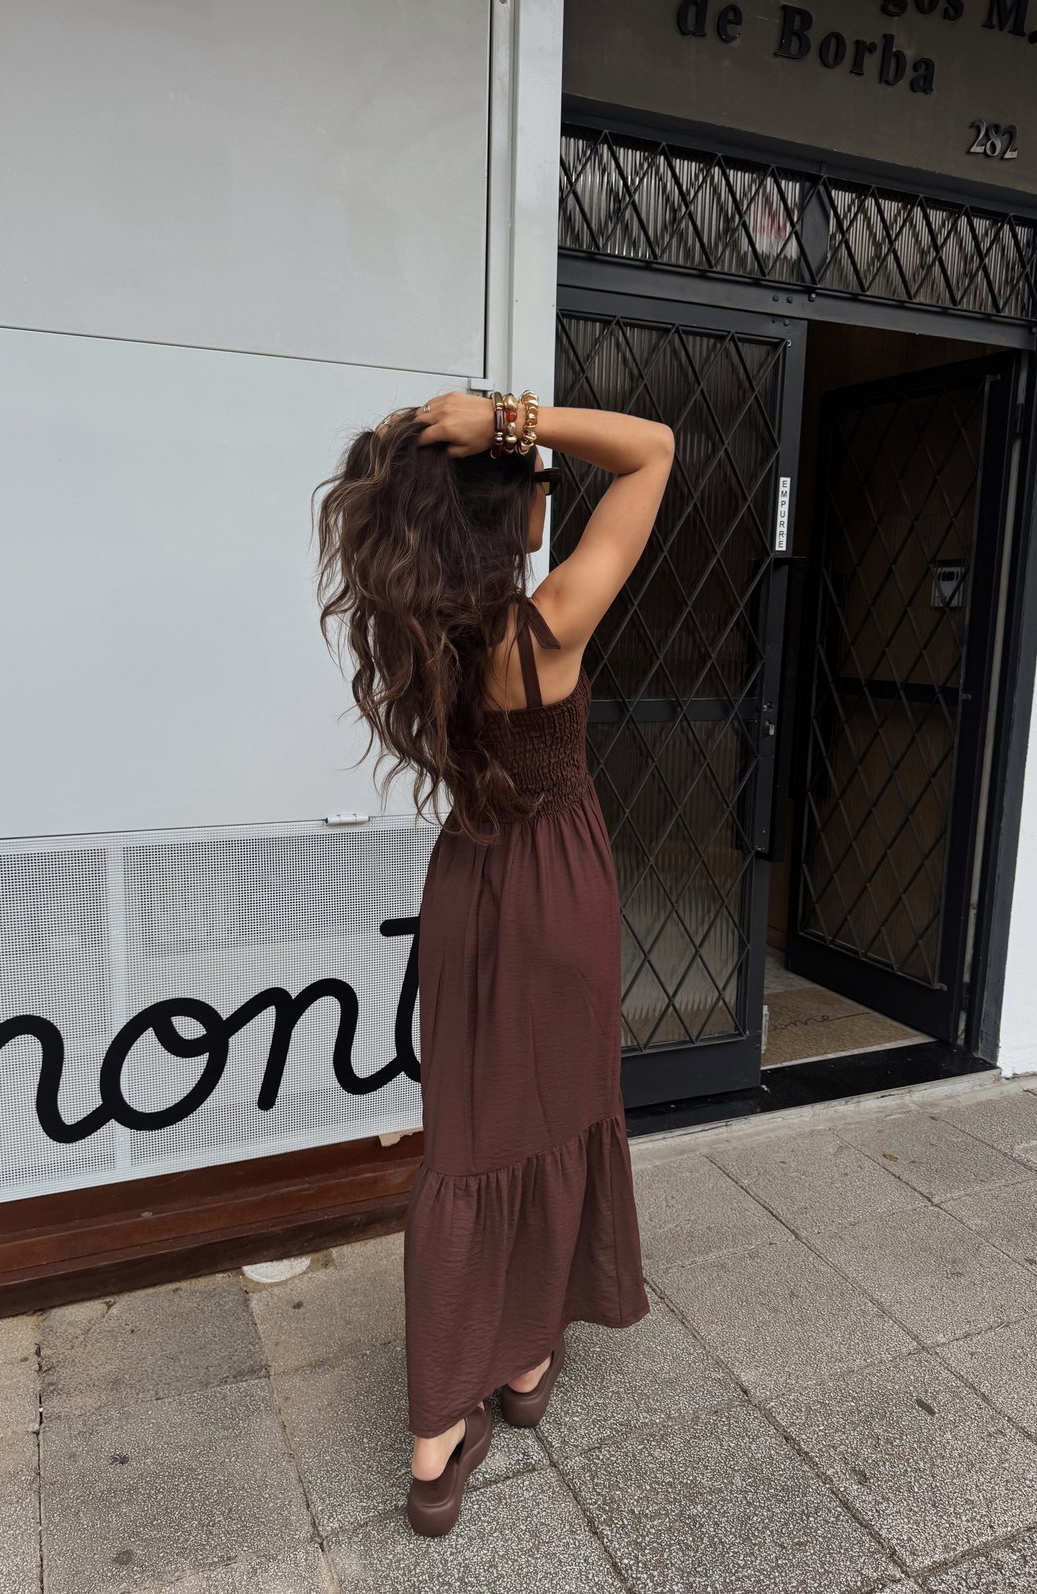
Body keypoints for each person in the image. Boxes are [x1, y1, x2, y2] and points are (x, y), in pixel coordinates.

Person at [314, 389, 675, 1536]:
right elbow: (654, 450)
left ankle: (442, 1443)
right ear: (502, 506)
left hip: (466, 892)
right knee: (559, 1108)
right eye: (537, 488)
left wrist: (488, 442)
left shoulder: (424, 631)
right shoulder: (547, 623)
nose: (548, 499)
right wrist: (517, 420)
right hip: (560, 893)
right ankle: (519, 1366)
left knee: (469, 1140)